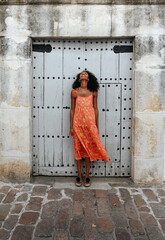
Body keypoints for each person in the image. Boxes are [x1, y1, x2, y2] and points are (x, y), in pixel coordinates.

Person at [70, 70, 110, 187]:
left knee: (88, 150)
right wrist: (71, 126)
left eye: (85, 74)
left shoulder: (93, 92)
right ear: (79, 78)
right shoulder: (74, 92)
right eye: (81, 74)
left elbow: (95, 109)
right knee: (77, 148)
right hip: (78, 124)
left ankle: (87, 175)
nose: (83, 74)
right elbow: (72, 110)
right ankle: (79, 175)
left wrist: (96, 125)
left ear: (88, 78)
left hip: (89, 124)